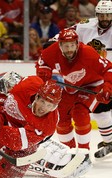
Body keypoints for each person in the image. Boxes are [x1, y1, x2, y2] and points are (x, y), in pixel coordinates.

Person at [36, 29, 112, 165]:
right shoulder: (52, 51)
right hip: (71, 87)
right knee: (61, 117)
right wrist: (43, 72)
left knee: (80, 112)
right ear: (59, 46)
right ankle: (68, 153)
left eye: (72, 45)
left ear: (77, 44)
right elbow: (43, 62)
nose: (69, 49)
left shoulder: (88, 53)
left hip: (93, 85)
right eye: (66, 46)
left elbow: (108, 68)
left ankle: (84, 155)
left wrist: (107, 87)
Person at [68, 0, 112, 158]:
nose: (105, 18)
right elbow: (68, 33)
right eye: (102, 14)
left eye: (108, 14)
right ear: (97, 15)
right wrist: (53, 42)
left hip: (110, 74)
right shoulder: (85, 25)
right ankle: (109, 141)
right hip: (98, 76)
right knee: (101, 109)